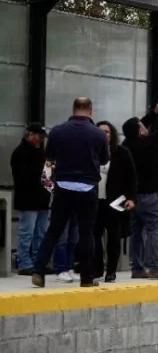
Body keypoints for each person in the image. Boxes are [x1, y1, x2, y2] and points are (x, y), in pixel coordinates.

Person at [31, 98, 109, 288]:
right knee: (86, 233)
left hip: (63, 186)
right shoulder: (99, 134)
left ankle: (39, 271)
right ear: (91, 110)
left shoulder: (58, 131)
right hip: (88, 187)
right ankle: (87, 278)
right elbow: (104, 159)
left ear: (73, 109)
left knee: (54, 230)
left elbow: (49, 156)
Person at [122, 98, 158, 280]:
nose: (145, 128)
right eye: (142, 127)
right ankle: (155, 266)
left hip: (131, 196)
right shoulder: (146, 144)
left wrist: (154, 113)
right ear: (139, 132)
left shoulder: (126, 145)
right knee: (154, 229)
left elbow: (140, 125)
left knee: (136, 232)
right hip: (148, 196)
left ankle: (137, 268)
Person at [94, 121, 137, 283]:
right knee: (94, 235)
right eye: (100, 132)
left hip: (116, 200)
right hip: (95, 199)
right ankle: (97, 267)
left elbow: (131, 177)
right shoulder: (91, 150)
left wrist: (131, 198)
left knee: (114, 236)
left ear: (112, 134)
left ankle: (111, 271)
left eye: (106, 132)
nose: (104, 134)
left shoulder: (122, 152)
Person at [11, 123, 50, 275]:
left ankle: (37, 262)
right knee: (26, 232)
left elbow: (47, 174)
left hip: (41, 198)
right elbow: (23, 177)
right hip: (28, 198)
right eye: (38, 136)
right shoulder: (20, 153)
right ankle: (25, 263)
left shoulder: (40, 152)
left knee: (40, 232)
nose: (39, 140)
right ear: (29, 134)